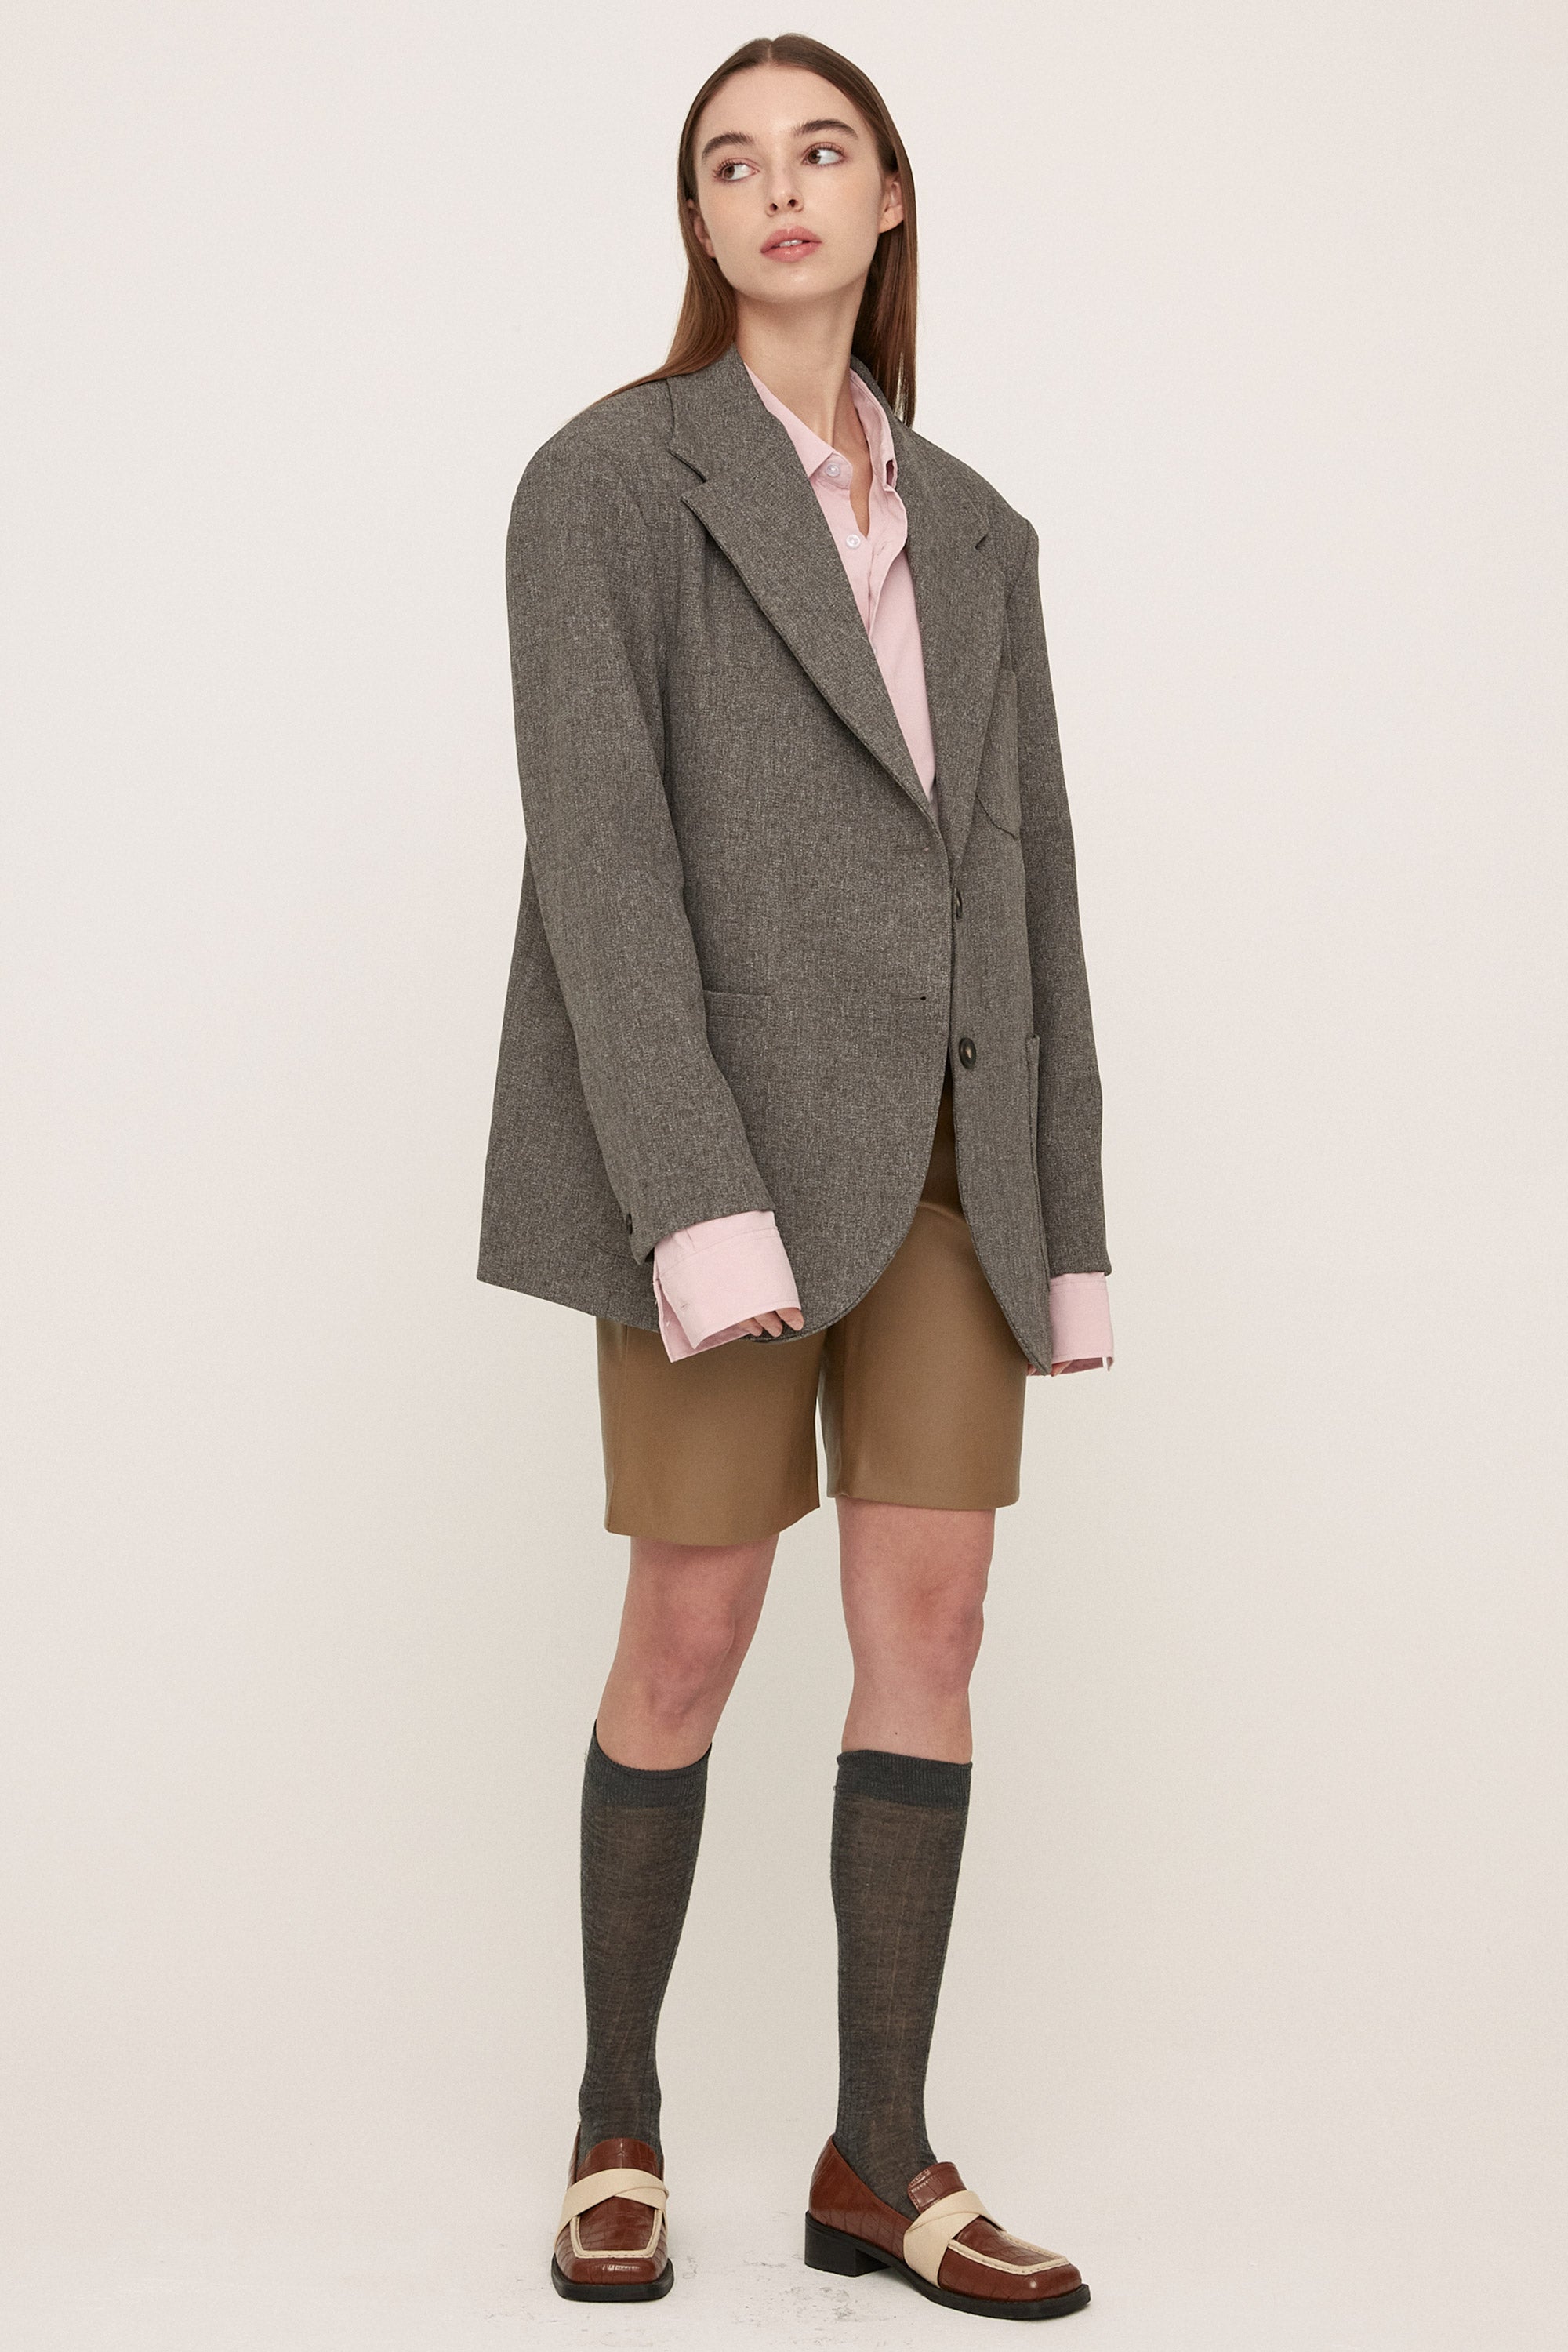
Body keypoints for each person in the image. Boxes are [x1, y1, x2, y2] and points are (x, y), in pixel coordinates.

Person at [477, 31, 1111, 2324]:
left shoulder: (981, 531)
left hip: (949, 1149)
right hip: (719, 1158)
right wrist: (688, 1200)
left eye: (821, 151)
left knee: (930, 1632)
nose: (780, 190)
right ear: (700, 220)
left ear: (888, 198)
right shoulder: (605, 485)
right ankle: (614, 2123)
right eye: (734, 162)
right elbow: (604, 869)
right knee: (692, 1628)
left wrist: (1063, 1211)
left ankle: (881, 2160)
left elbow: (1026, 878)